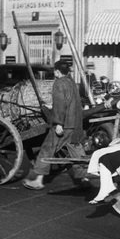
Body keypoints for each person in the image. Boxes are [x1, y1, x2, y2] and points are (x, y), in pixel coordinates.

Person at [23, 60, 90, 190]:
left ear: (57, 71)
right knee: (76, 152)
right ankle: (85, 178)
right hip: (74, 124)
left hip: (63, 125)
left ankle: (38, 180)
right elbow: (72, 103)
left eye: (55, 70)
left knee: (47, 149)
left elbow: (60, 105)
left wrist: (58, 123)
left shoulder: (58, 83)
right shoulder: (72, 83)